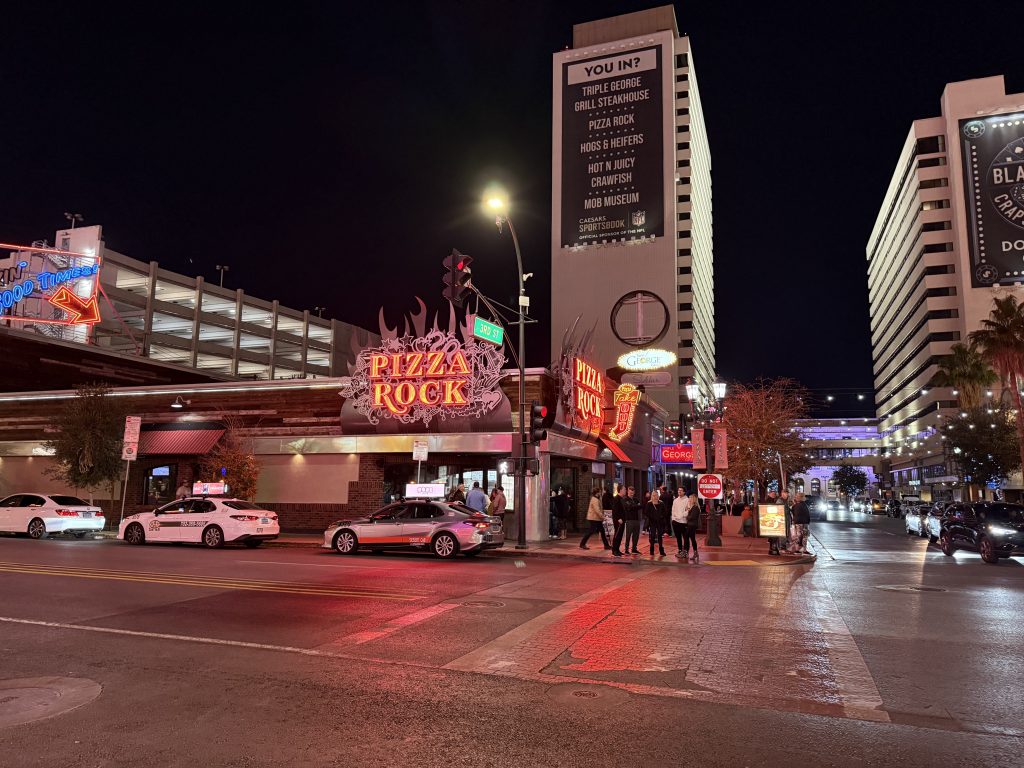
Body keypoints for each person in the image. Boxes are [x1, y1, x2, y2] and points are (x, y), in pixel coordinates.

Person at [645, 489, 668, 557]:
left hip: (660, 522)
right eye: (654, 495)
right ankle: (651, 550)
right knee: (652, 536)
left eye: (656, 495)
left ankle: (661, 550)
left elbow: (665, 512)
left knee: (660, 536)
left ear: (658, 496)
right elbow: (646, 513)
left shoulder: (661, 503)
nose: (655, 497)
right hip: (652, 522)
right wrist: (652, 517)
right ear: (652, 496)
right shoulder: (649, 503)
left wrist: (661, 517)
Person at [671, 488, 690, 555]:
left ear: (684, 492)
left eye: (681, 490)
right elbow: (673, 510)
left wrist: (681, 516)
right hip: (675, 521)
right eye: (678, 490)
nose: (679, 491)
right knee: (678, 537)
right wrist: (673, 518)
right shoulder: (675, 500)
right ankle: (679, 549)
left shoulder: (687, 500)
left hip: (683, 522)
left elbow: (688, 510)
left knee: (685, 537)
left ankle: (686, 550)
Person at [622, 486, 641, 554]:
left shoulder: (636, 499)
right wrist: (635, 506)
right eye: (630, 492)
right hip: (629, 520)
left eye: (632, 492)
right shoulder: (625, 499)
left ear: (634, 492)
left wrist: (633, 506)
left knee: (636, 536)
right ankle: (626, 549)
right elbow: (629, 507)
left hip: (636, 520)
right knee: (628, 536)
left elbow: (639, 506)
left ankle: (634, 549)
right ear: (628, 491)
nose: (631, 493)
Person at [683, 493, 700, 562]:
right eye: (689, 498)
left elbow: (692, 517)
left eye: (690, 498)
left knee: (687, 537)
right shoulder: (692, 507)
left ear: (694, 499)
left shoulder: (695, 507)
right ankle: (695, 552)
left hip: (692, 525)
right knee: (692, 538)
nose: (689, 499)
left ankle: (687, 551)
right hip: (691, 525)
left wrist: (687, 515)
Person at [611, 484, 627, 556]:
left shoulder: (622, 498)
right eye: (624, 489)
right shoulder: (616, 498)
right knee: (617, 535)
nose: (625, 491)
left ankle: (617, 549)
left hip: (622, 520)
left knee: (620, 535)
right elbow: (615, 510)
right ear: (620, 490)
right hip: (618, 521)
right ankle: (614, 550)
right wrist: (618, 518)